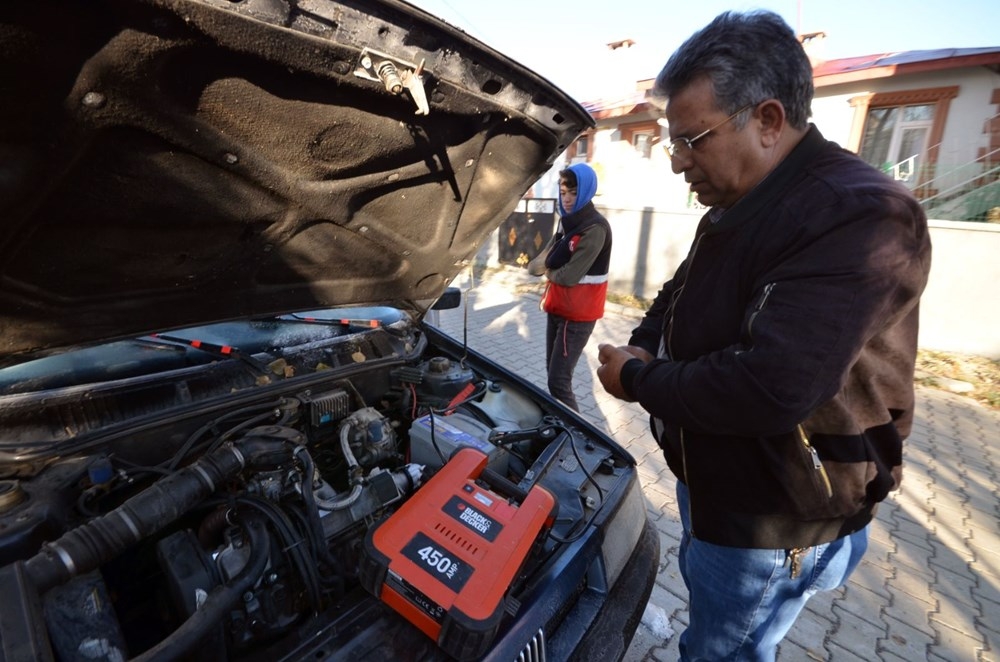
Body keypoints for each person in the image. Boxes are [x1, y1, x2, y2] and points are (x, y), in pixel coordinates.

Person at [595, 10, 931, 661]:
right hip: (722, 486)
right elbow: (680, 291)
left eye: (692, 140)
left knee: (723, 650)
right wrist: (642, 340)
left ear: (769, 121)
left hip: (775, 516)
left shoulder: (860, 215)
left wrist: (637, 379)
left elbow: (770, 384)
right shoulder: (742, 200)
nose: (677, 163)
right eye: (673, 143)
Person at [527, 163, 612, 411]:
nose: (566, 199)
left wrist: (550, 271)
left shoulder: (595, 228)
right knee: (552, 373)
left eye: (573, 193)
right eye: (563, 192)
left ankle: (575, 433)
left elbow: (568, 276)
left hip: (577, 316)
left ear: (586, 192)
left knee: (559, 382)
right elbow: (537, 264)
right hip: (558, 307)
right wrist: (548, 268)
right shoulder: (567, 222)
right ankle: (559, 422)